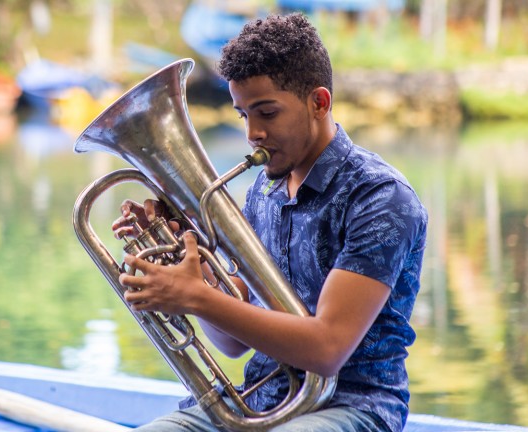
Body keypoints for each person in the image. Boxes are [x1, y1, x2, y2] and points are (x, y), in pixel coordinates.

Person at [113, 12, 428, 432]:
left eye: (267, 112)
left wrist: (196, 298)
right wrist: (192, 265)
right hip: (257, 400)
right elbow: (232, 342)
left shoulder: (381, 198)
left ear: (319, 102)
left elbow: (327, 348)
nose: (252, 134)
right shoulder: (263, 191)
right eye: (244, 115)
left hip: (351, 406)